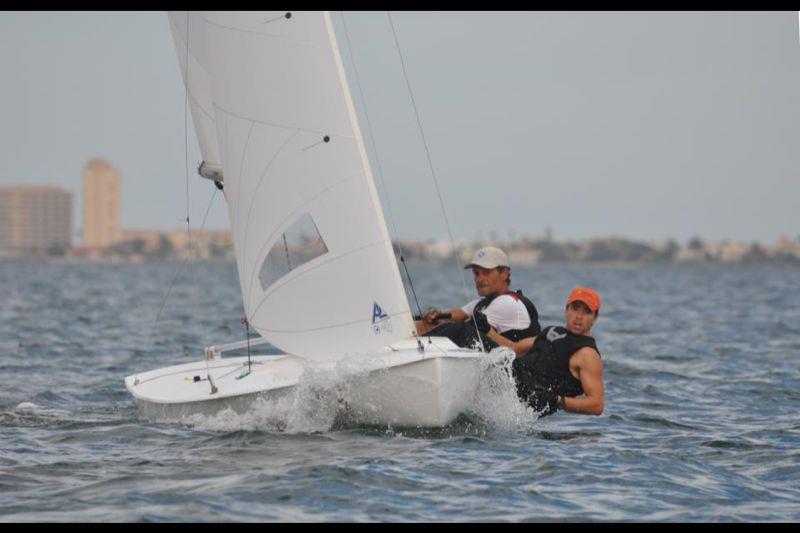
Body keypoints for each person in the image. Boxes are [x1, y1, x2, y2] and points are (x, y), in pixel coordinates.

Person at [486, 286, 604, 417]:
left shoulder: (588, 354)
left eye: (586, 312)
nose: (579, 316)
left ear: (595, 317)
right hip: (510, 374)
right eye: (575, 309)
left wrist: (556, 400)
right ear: (567, 310)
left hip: (525, 398)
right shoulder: (552, 331)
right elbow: (514, 348)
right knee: (471, 332)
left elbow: (597, 405)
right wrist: (487, 330)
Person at [416, 246, 541, 350]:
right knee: (432, 322)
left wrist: (434, 324)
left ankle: (414, 344)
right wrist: (436, 315)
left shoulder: (508, 303)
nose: (479, 279)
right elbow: (459, 314)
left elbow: (466, 327)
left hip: (520, 368)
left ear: (504, 273)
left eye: (486, 273)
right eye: (476, 273)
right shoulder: (483, 303)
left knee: (460, 330)